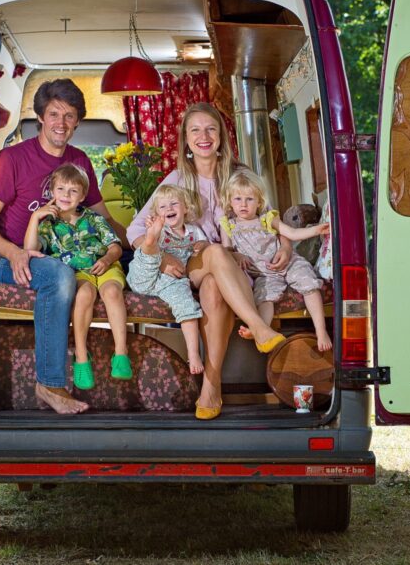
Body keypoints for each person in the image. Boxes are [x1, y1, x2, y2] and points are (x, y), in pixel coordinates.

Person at [126, 103, 293, 420]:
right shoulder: (176, 179)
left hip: (239, 268)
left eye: (211, 128)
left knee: (216, 285)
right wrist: (162, 259)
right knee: (215, 252)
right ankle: (259, 327)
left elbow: (272, 219)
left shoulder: (242, 177)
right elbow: (136, 229)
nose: (204, 136)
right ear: (186, 140)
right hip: (190, 264)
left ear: (222, 136)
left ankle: (211, 387)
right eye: (195, 130)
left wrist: (284, 244)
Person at [0, 79, 127, 414]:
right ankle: (50, 384)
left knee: (83, 267)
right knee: (60, 276)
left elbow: (106, 221)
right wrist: (14, 253)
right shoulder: (11, 160)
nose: (61, 122)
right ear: (41, 116)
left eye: (69, 116)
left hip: (64, 257)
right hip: (6, 257)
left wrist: (147, 243)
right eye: (54, 113)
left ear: (77, 122)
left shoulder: (81, 162)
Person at [25, 163, 130, 390]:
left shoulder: (93, 219)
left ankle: (121, 353)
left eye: (73, 191)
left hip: (105, 266)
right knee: (83, 296)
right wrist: (35, 218)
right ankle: (82, 358)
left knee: (112, 291)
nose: (66, 195)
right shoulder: (47, 225)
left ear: (82, 195)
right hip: (77, 273)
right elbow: (31, 249)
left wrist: (106, 260)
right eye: (61, 189)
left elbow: (116, 247)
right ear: (52, 192)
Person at [219, 168, 332, 352]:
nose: (243, 204)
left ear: (259, 201)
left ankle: (321, 331)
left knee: (309, 283)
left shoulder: (267, 219)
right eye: (238, 199)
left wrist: (316, 230)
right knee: (264, 298)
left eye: (249, 199)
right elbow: (226, 250)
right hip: (264, 273)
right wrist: (236, 255)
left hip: (288, 262)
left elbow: (292, 233)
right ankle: (260, 331)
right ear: (230, 201)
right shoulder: (228, 225)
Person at [126, 184, 208, 375]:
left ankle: (193, 354)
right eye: (162, 207)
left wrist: (202, 245)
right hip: (145, 275)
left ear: (185, 208)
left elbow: (205, 244)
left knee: (186, 303)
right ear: (156, 213)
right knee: (147, 254)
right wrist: (154, 235)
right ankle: (149, 242)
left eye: (174, 204)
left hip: (171, 281)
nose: (169, 209)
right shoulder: (161, 229)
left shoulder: (194, 232)